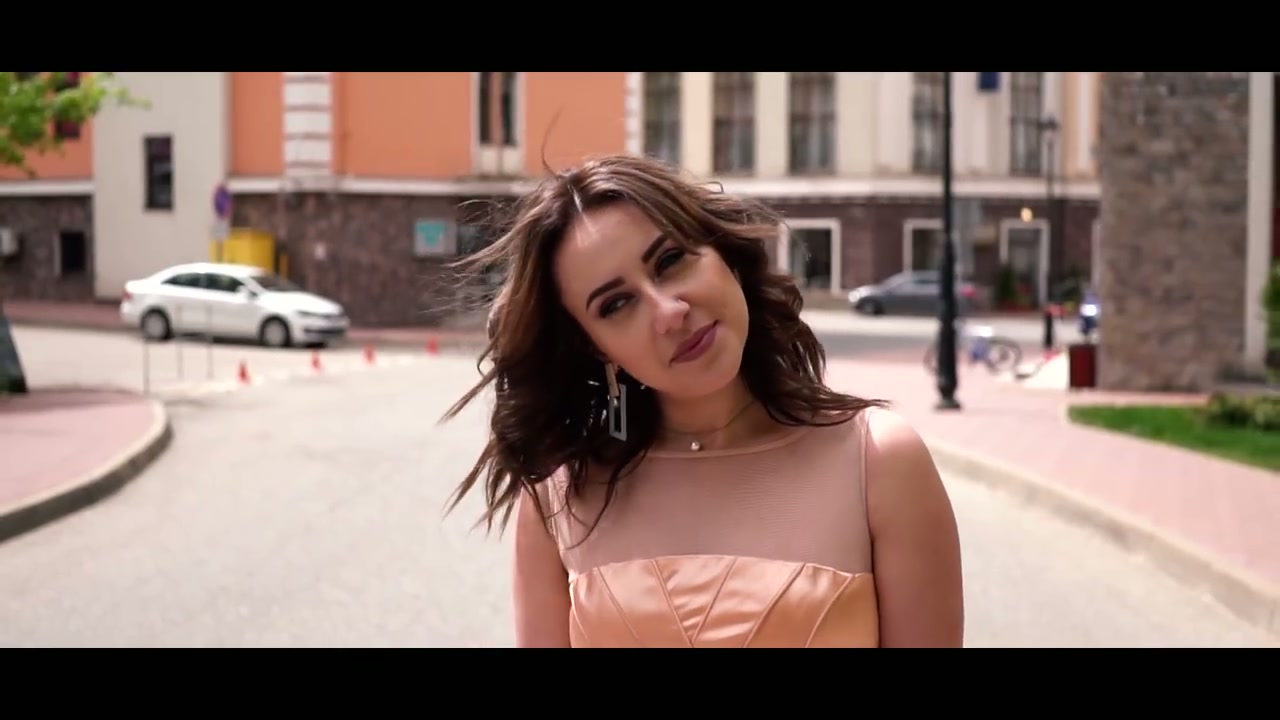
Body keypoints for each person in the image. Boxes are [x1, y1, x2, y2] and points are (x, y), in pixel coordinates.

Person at [443, 154, 964, 648]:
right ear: (596, 347)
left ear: (724, 257)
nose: (668, 312)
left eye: (671, 260)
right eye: (617, 304)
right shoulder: (558, 497)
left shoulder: (877, 462)